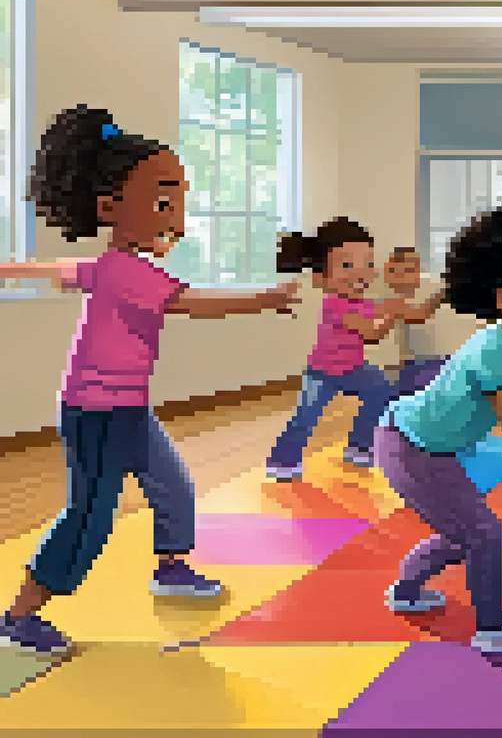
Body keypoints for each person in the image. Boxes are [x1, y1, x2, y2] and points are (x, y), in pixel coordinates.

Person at [0, 105, 299, 657]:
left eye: (179, 200)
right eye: (164, 202)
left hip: (127, 408)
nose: (177, 219)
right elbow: (196, 305)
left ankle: (172, 568)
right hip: (96, 412)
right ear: (111, 207)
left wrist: (12, 269)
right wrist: (265, 297)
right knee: (90, 513)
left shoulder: (112, 267)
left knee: (172, 486)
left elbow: (59, 270)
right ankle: (19, 616)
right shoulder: (131, 272)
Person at [378, 203, 502, 655]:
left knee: (462, 533)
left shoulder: (498, 342)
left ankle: (406, 592)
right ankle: (493, 630)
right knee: (482, 532)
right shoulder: (498, 348)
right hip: (412, 448)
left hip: (416, 442)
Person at [266, 218, 401, 481]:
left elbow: (379, 314)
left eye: (368, 264)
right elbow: (372, 334)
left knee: (382, 391)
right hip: (323, 373)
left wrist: (398, 307)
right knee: (306, 416)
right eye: (347, 265)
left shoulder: (361, 301)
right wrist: (391, 315)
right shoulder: (335, 305)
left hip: (353, 368)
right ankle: (282, 461)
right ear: (321, 278)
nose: (360, 273)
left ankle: (360, 446)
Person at [381, 247, 448, 395]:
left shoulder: (417, 293)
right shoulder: (387, 297)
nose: (417, 274)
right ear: (392, 272)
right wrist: (445, 291)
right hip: (396, 370)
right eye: (410, 270)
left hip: (417, 364)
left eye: (417, 268)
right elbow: (419, 315)